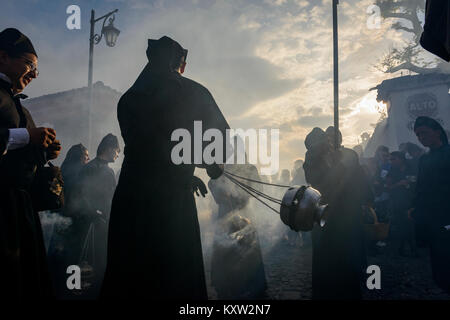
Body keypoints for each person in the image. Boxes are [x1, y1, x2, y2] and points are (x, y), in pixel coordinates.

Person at [101, 36, 229, 299]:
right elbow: (216, 138)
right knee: (173, 273)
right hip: (170, 202)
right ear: (177, 62)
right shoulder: (193, 92)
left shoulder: (129, 98)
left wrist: (186, 172)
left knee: (132, 272)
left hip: (132, 195)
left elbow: (150, 150)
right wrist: (208, 165)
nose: (183, 70)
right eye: (183, 64)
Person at [0, 28, 61, 298]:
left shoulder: (20, 107)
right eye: (29, 64)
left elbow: (22, 152)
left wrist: (45, 151)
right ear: (3, 57)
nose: (35, 75)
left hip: (20, 211)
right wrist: (28, 136)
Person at [304, 127, 373, 300]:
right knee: (325, 257)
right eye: (324, 139)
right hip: (325, 212)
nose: (327, 142)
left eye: (329, 139)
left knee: (348, 254)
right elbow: (318, 182)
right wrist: (337, 166)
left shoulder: (349, 155)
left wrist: (366, 199)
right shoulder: (312, 159)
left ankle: (351, 289)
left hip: (347, 211)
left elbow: (358, 178)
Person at [75, 134, 119, 298]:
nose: (118, 153)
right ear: (108, 148)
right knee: (97, 264)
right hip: (95, 225)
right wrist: (95, 214)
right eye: (116, 149)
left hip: (103, 222)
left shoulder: (103, 169)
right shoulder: (93, 169)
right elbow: (81, 194)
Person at [410, 116, 450, 294]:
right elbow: (421, 188)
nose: (420, 137)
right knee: (440, 260)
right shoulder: (424, 160)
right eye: (418, 135)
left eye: (424, 133)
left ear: (437, 132)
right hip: (433, 218)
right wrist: (415, 208)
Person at [385, 151, 417, 257]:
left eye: (394, 159)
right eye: (391, 159)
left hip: (410, 201)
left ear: (401, 159)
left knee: (411, 225)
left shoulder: (410, 168)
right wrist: (399, 184)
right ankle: (401, 248)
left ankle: (413, 248)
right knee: (400, 226)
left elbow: (416, 181)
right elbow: (388, 188)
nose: (391, 161)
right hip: (397, 203)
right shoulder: (392, 172)